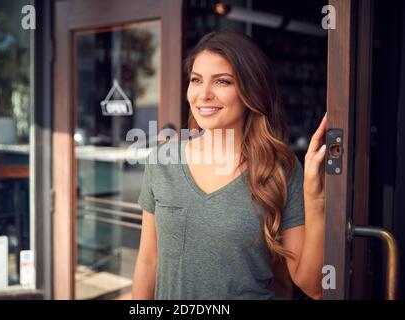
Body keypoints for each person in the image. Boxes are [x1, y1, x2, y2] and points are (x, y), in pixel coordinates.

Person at [132, 31, 326, 300]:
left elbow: (312, 285)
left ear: (250, 91)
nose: (204, 94)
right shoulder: (162, 161)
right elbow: (148, 261)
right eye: (196, 80)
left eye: (222, 81)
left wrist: (316, 199)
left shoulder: (280, 168)